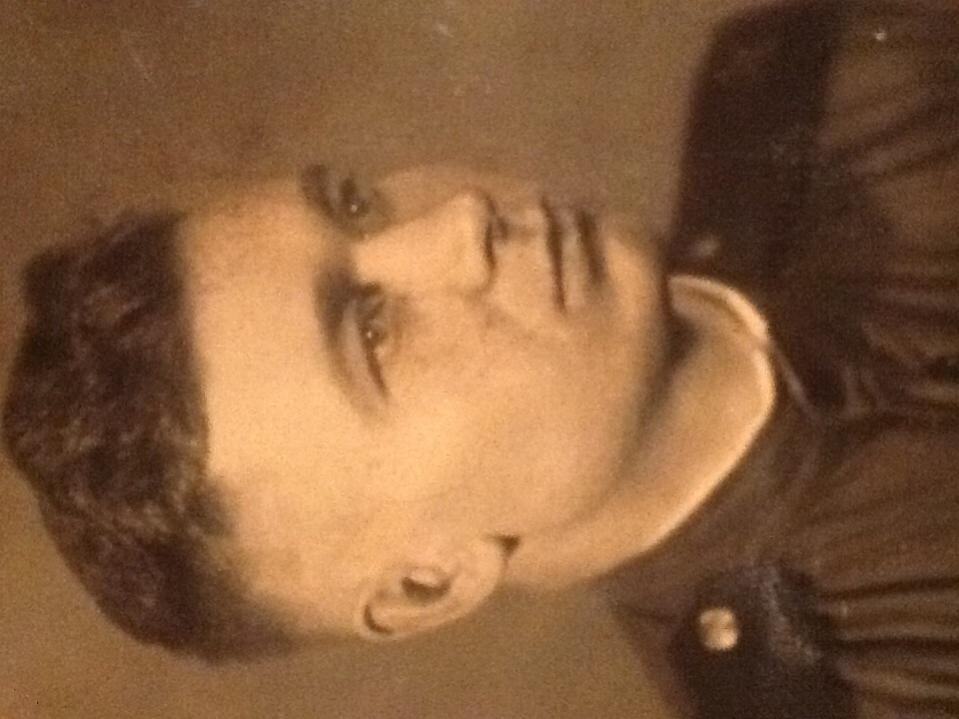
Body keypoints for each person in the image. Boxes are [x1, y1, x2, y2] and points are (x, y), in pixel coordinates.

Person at [3, 1, 958, 717]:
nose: (458, 224)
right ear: (429, 582)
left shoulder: (818, 80)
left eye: (353, 203)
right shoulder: (870, 688)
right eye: (371, 330)